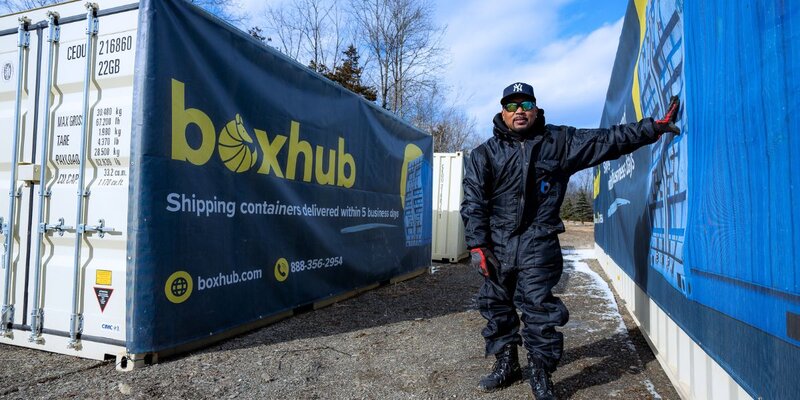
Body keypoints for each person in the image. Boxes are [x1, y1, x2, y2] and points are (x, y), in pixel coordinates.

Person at [460, 82, 680, 399]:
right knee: (496, 308)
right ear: (502, 112)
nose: (519, 111)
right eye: (511, 106)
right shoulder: (484, 155)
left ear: (536, 109)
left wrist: (652, 129)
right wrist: (478, 245)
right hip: (496, 245)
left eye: (525, 104)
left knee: (538, 311)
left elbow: (608, 140)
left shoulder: (559, 142)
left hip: (538, 242)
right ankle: (507, 364)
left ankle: (539, 372)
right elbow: (473, 204)